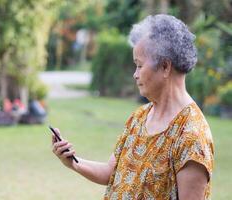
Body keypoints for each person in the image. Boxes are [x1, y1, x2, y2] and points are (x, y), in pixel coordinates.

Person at [52, 14, 214, 200]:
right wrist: (73, 163)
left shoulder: (192, 136)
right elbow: (110, 172)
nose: (135, 75)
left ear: (165, 67)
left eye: (139, 65)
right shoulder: (139, 117)